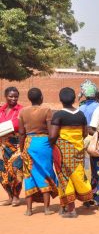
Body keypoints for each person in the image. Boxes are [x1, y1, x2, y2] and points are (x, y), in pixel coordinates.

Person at [49, 87, 93, 218]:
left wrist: (52, 145)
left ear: (60, 100)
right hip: (78, 149)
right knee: (77, 175)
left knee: (64, 178)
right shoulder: (80, 115)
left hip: (63, 151)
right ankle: (66, 205)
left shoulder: (58, 115)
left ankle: (71, 210)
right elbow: (85, 133)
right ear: (74, 99)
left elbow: (52, 136)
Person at [19, 88, 58, 216]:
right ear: (41, 98)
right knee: (45, 173)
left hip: (29, 144)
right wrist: (53, 144)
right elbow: (51, 131)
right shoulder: (46, 110)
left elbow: (21, 133)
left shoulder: (23, 112)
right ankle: (46, 209)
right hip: (44, 144)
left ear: (30, 99)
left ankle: (29, 209)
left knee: (29, 176)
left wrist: (21, 148)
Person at [0, 87, 23, 206]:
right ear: (5, 96)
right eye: (11, 96)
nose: (13, 99)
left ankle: (16, 196)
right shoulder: (1, 110)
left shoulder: (21, 110)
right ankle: (9, 196)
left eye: (15, 96)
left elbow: (20, 125)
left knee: (16, 169)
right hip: (3, 145)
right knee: (3, 171)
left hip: (17, 144)